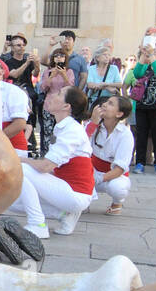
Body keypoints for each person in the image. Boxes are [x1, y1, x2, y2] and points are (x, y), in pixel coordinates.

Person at [14, 85, 95, 235]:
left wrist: (19, 160)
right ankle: (63, 214)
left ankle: (37, 224)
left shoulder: (72, 130)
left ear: (66, 106)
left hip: (75, 193)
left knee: (21, 170)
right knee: (13, 201)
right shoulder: (64, 127)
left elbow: (45, 166)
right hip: (68, 189)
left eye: (59, 93)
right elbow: (50, 167)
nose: (52, 96)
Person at [130, 43, 156, 173]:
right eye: (154, 50)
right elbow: (137, 73)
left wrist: (152, 57)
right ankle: (139, 163)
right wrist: (143, 56)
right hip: (142, 105)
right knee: (141, 135)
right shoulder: (147, 65)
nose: (155, 51)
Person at [88, 96, 134, 215]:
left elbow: (119, 169)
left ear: (119, 114)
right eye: (105, 102)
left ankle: (117, 202)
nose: (104, 105)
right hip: (91, 170)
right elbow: (79, 147)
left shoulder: (125, 135)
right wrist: (93, 123)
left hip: (112, 175)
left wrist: (98, 179)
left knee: (118, 188)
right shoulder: (93, 125)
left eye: (110, 103)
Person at [37, 48, 74, 156]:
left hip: (63, 106)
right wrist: (52, 75)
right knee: (48, 132)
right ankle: (47, 154)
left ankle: (61, 154)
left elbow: (71, 88)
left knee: (62, 132)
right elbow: (43, 88)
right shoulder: (48, 71)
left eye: (62, 56)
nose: (59, 58)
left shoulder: (69, 72)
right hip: (49, 104)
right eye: (56, 56)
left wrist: (63, 75)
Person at [85, 41, 121, 110]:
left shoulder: (114, 68)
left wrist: (105, 84)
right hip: (94, 101)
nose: (107, 57)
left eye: (108, 55)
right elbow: (90, 84)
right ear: (98, 58)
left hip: (109, 101)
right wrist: (107, 87)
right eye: (104, 55)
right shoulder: (92, 68)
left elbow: (119, 84)